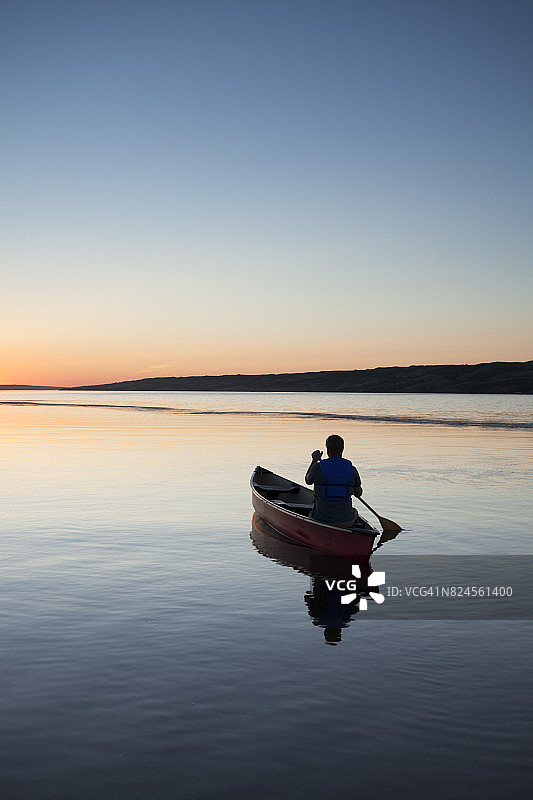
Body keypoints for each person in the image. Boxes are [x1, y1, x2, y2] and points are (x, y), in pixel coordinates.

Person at [305, 434, 362, 527]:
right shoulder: (351, 469)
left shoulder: (317, 467)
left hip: (320, 518)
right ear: (342, 449)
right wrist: (349, 489)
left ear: (327, 449)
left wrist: (314, 460)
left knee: (311, 513)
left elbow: (308, 480)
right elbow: (358, 493)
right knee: (355, 512)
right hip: (346, 520)